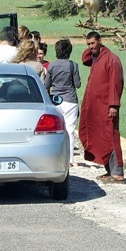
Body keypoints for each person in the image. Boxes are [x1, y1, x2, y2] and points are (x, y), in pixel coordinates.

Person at [80, 31, 125, 183]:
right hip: (96, 106)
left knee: (111, 136)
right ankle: (108, 170)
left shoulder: (112, 59)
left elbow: (115, 83)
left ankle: (117, 171)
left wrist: (113, 105)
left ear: (100, 41)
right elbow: (85, 59)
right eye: (88, 44)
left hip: (107, 106)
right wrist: (92, 50)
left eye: (93, 43)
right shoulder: (96, 58)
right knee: (100, 136)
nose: (90, 47)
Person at [45, 38, 81, 166]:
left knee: (55, 130)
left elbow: (47, 84)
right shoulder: (73, 65)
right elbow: (78, 84)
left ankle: (54, 158)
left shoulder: (52, 65)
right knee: (70, 130)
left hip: (56, 100)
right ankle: (70, 159)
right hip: (71, 100)